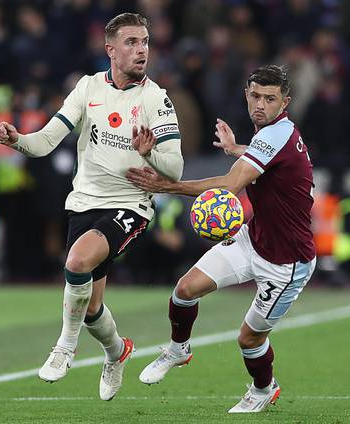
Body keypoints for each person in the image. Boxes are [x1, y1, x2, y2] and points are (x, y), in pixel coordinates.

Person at [0, 13, 184, 401]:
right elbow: (47, 140)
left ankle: (65, 346)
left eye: (145, 41)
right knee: (92, 308)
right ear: (110, 49)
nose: (141, 49)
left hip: (130, 205)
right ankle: (117, 352)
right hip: (84, 203)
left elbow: (175, 167)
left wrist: (152, 156)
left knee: (77, 262)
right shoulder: (88, 87)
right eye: (131, 42)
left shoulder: (155, 98)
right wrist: (17, 141)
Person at [126, 65, 316, 413]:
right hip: (252, 239)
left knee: (249, 338)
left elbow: (230, 186)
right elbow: (269, 157)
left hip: (286, 263)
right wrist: (236, 149)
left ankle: (263, 388)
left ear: (285, 102)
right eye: (255, 95)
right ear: (246, 94)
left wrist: (166, 186)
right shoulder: (271, 135)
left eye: (270, 99)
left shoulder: (276, 135)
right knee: (184, 290)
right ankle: (178, 349)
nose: (260, 104)